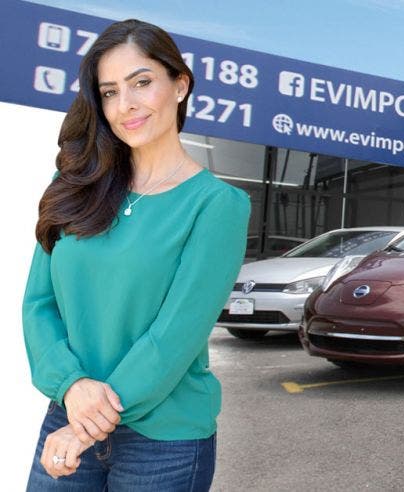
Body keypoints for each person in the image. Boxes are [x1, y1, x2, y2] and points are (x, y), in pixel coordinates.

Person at [22, 19, 249, 490]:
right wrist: (72, 387)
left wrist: (85, 423)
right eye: (109, 92)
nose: (125, 105)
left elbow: (174, 337)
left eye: (142, 83)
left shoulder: (217, 206)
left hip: (163, 440)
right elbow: (39, 305)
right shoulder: (72, 189)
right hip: (68, 411)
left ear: (180, 85)